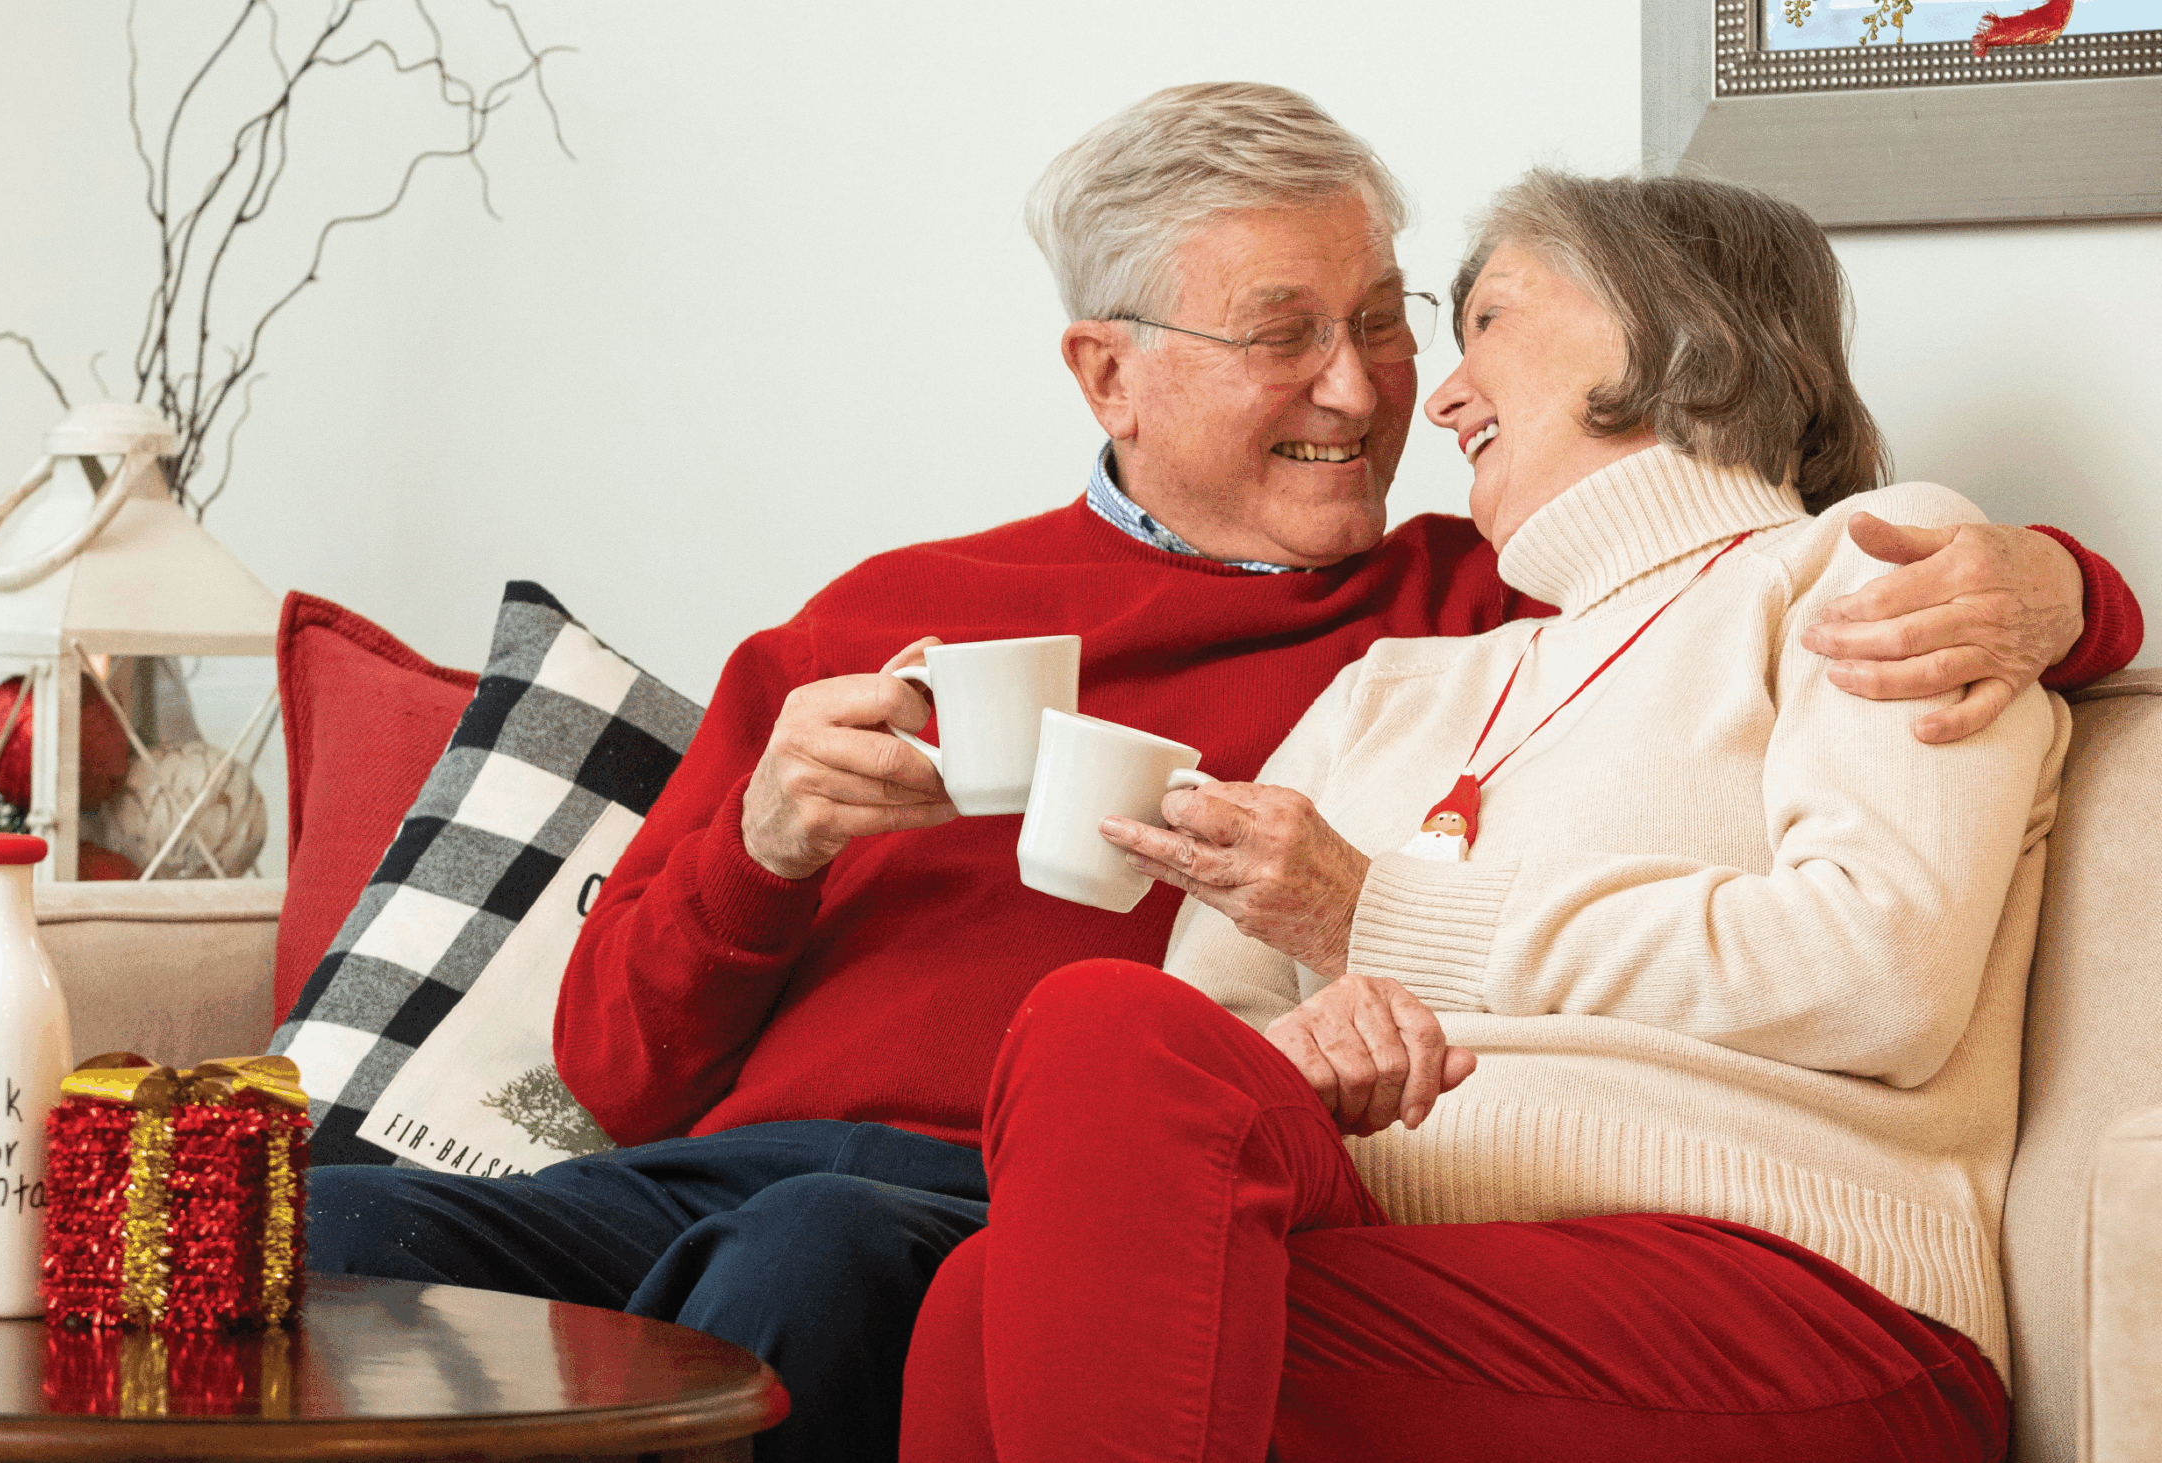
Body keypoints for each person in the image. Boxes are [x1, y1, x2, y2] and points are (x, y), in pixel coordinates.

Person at [308, 86, 2141, 1463]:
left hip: (1018, 1185)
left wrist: (2059, 585)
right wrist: (766, 844)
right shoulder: (911, 621)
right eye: (1285, 335)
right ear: (1107, 372)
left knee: (866, 1242)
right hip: (771, 1159)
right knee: (334, 1224)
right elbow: (620, 1073)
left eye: (1404, 317)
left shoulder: (1470, 594)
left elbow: (1816, 584)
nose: (1376, 390)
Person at [899, 167, 2065, 1462]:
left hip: (1779, 1288)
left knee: (999, 1326)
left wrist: (1385, 917)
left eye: (1490, 323)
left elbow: (1881, 968)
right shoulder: (1392, 687)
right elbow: (1214, 1033)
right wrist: (1317, 1042)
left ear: (1667, 322)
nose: (1442, 399)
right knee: (1063, 1097)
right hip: (1421, 1254)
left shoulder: (1880, 565)